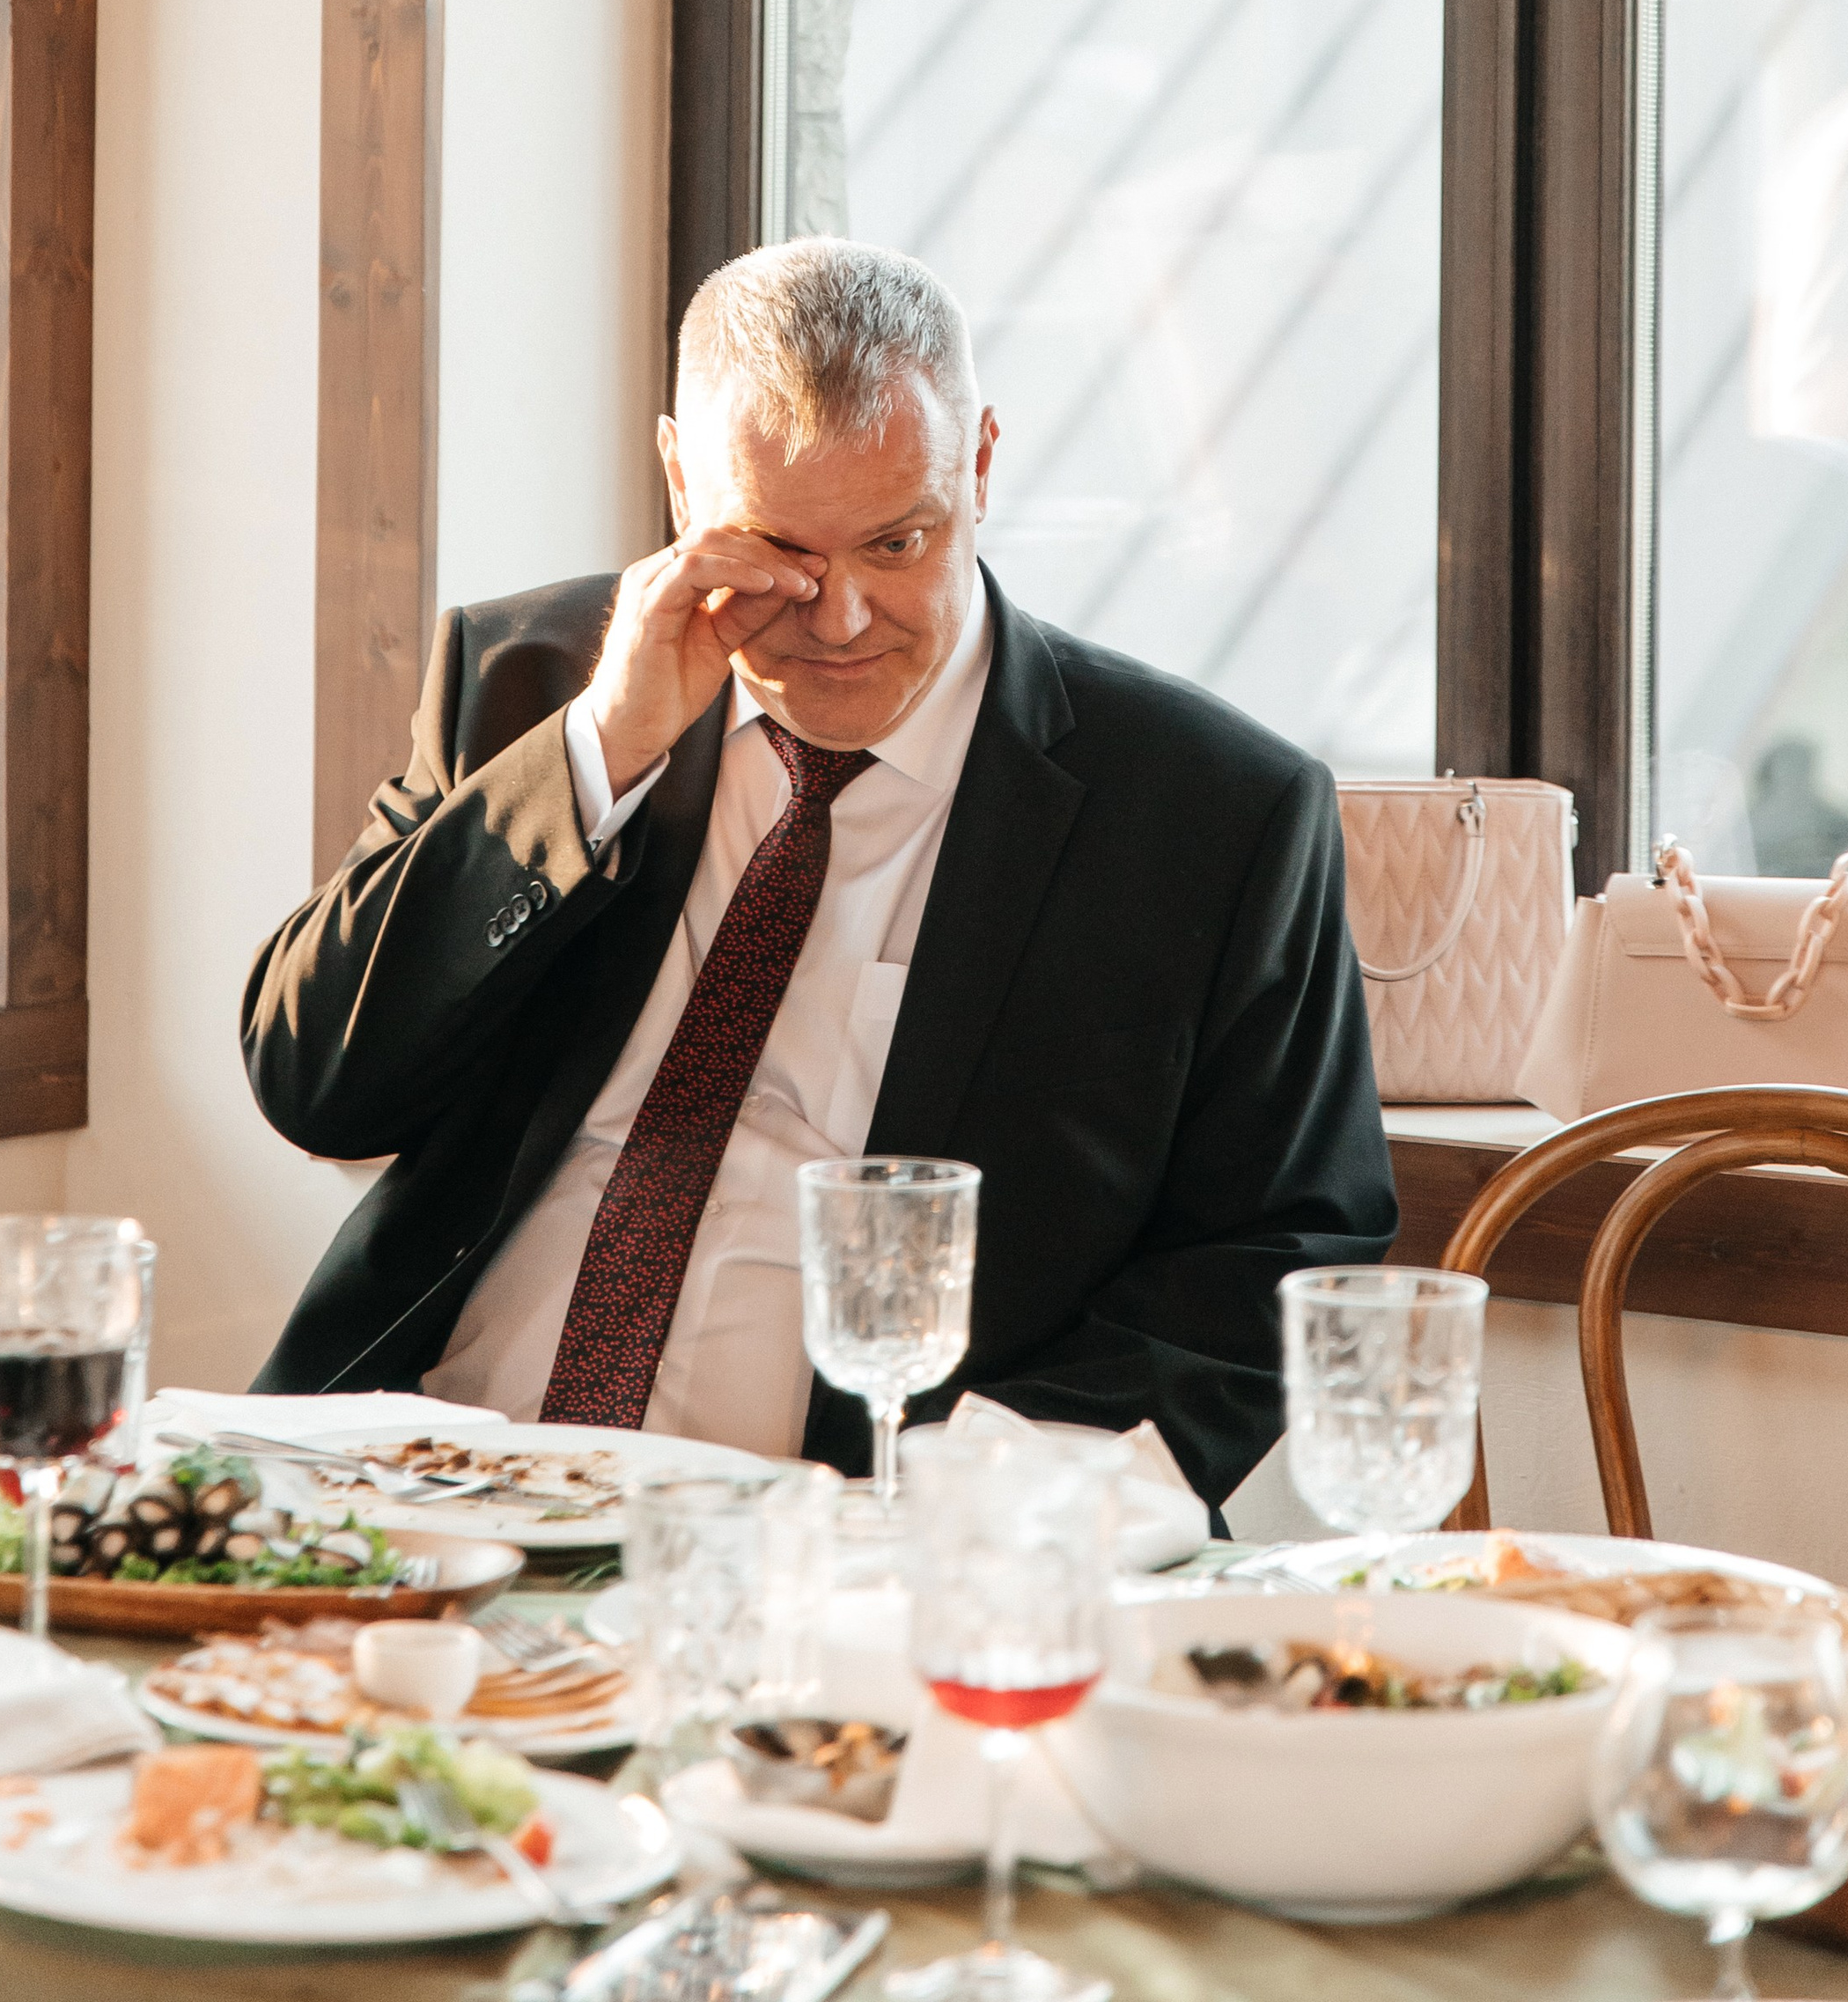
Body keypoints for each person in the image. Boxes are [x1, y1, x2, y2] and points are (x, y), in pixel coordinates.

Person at [242, 239, 1395, 1514]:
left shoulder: (1212, 813)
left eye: (898, 544)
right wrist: (598, 756)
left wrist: (966, 1506)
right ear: (682, 479)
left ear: (982, 465)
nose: (839, 619)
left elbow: (1281, 1246)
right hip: (424, 1482)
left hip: (872, 1528)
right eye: (778, 553)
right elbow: (316, 1085)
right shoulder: (526, 682)